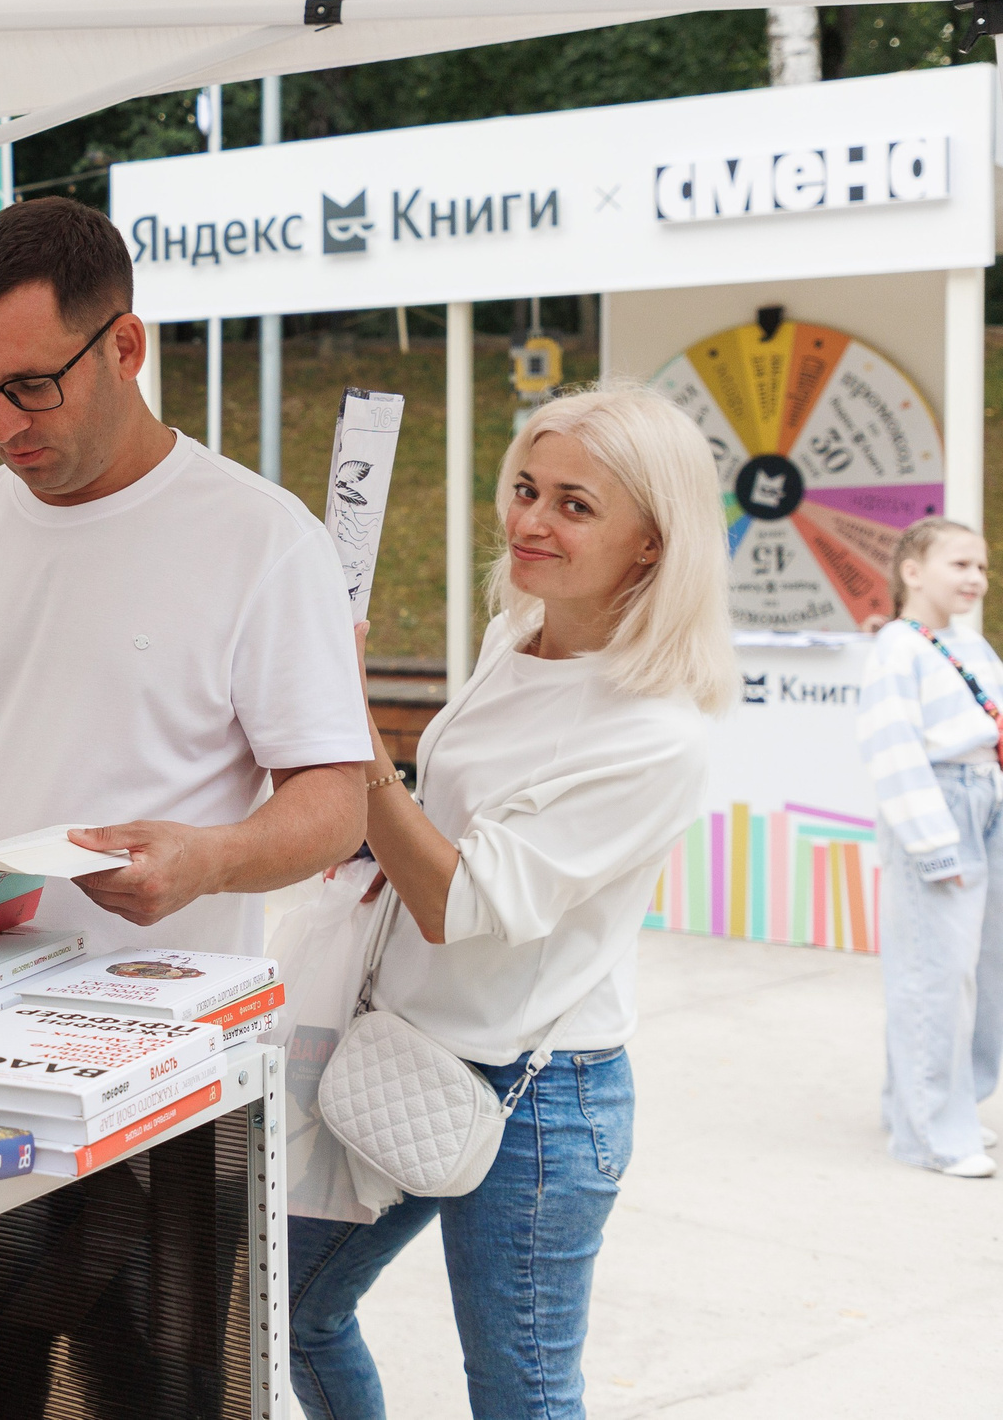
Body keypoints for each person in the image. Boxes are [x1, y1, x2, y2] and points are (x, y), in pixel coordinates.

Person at [0, 196, 370, 1418]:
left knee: (157, 1397)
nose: (2, 423)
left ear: (123, 345)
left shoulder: (258, 540)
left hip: (163, 1086)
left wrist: (210, 859)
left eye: (30, 386)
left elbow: (337, 796)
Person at [288, 384, 733, 1420]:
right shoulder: (512, 636)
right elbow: (437, 821)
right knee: (289, 1307)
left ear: (651, 545)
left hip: (540, 1096)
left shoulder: (655, 733)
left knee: (520, 1396)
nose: (530, 520)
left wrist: (350, 732)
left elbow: (460, 899)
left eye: (575, 505)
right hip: (408, 1050)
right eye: (526, 489)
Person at [861, 515, 1003, 1179]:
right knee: (934, 973)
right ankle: (932, 1134)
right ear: (912, 571)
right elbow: (893, 752)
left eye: (981, 566)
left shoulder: (970, 647)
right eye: (961, 564)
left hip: (986, 800)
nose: (976, 577)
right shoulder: (896, 647)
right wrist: (933, 844)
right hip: (938, 807)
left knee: (979, 970)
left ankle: (936, 1105)